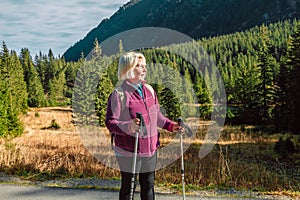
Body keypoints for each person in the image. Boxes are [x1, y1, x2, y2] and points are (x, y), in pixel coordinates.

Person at [105, 51, 183, 200]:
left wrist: (172, 126)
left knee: (148, 187)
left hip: (150, 148)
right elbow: (110, 122)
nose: (144, 69)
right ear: (128, 70)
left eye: (144, 66)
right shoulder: (119, 94)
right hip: (128, 151)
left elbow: (157, 117)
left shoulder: (150, 90)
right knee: (129, 189)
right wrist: (129, 126)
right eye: (139, 66)